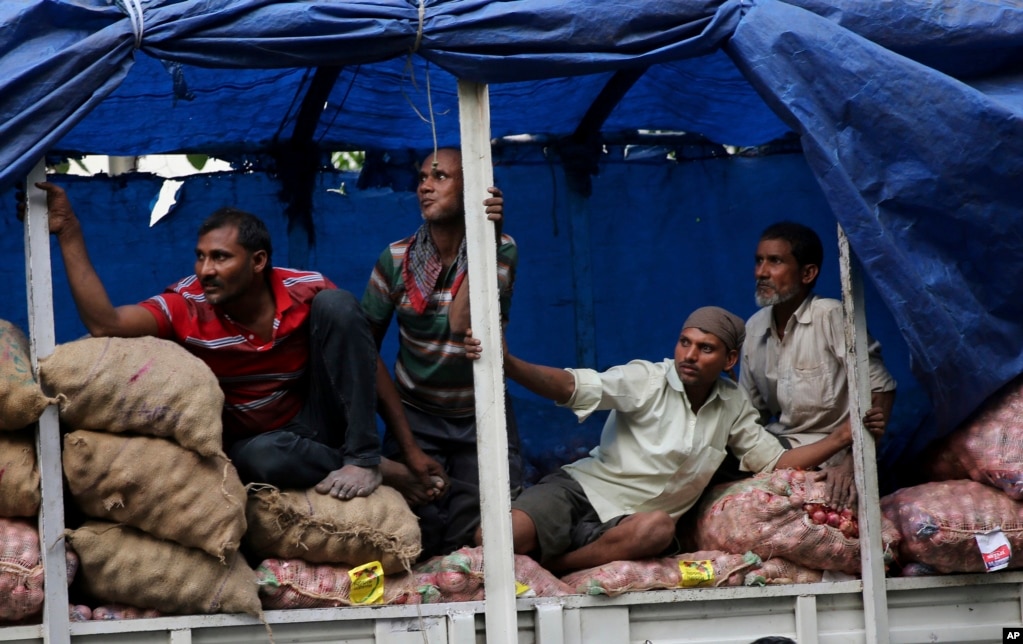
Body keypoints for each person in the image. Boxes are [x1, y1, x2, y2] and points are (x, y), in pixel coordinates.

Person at [24, 182, 421, 500]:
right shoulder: (187, 305)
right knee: (264, 457)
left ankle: (365, 456)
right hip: (261, 442)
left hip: (319, 417)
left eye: (220, 257)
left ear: (258, 261)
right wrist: (69, 231)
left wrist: (411, 450)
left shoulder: (306, 289)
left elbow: (365, 362)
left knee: (338, 304)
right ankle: (372, 467)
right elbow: (104, 322)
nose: (205, 271)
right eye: (200, 257)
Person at [466, 306, 871, 574]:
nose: (690, 355)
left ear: (729, 360)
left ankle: (559, 569)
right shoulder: (648, 378)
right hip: (582, 491)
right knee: (498, 537)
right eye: (685, 343)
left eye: (706, 348)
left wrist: (841, 437)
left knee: (658, 530)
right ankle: (547, 555)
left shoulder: (732, 403)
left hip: (631, 523)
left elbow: (771, 460)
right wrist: (510, 365)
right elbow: (575, 386)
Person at [361, 147, 523, 558]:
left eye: (440, 177)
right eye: (421, 178)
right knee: (419, 532)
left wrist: (484, 240)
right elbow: (364, 350)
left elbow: (459, 319)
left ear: (472, 190)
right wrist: (407, 446)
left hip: (480, 411)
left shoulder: (501, 249)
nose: (424, 187)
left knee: (482, 534)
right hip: (415, 413)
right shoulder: (395, 259)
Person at [740, 221, 896, 508]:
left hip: (834, 452)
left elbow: (882, 388)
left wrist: (854, 463)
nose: (761, 272)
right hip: (779, 451)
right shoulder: (754, 328)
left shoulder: (831, 316)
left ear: (808, 273)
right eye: (759, 261)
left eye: (775, 261)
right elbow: (749, 417)